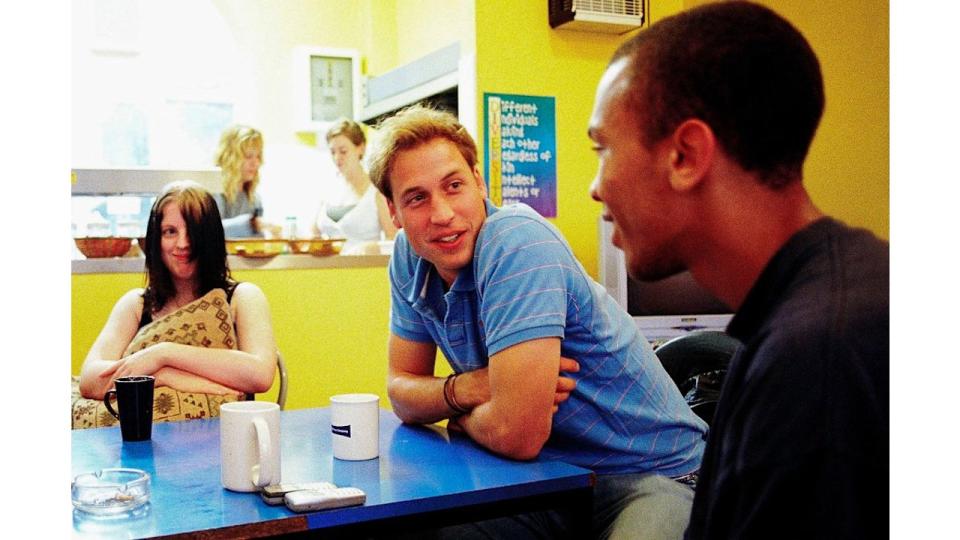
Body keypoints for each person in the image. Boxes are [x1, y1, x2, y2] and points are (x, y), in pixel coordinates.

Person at [587, 2, 888, 538]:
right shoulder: (842, 298)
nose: (596, 187)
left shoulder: (815, 361)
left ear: (686, 155)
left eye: (603, 149)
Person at [368, 105, 708, 540]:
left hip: (658, 475)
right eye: (416, 198)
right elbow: (400, 390)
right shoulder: (409, 256)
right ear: (394, 212)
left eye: (453, 186)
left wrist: (457, 418)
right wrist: (473, 388)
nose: (442, 214)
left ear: (479, 181)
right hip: (555, 477)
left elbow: (517, 433)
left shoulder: (516, 243)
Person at [79, 180, 278, 400]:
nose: (183, 243)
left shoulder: (243, 297)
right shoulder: (136, 304)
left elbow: (260, 375)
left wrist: (164, 353)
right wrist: (164, 376)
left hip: (225, 431)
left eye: (194, 231)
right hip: (149, 434)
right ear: (156, 239)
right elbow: (89, 381)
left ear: (210, 238)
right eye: (170, 231)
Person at [314, 118, 397, 253]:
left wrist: (369, 248)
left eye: (343, 151)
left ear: (361, 148)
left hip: (361, 269)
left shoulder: (377, 192)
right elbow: (313, 234)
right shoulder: (327, 191)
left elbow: (393, 240)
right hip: (326, 270)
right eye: (332, 152)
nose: (337, 158)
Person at [213, 124, 280, 238]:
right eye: (248, 156)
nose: (256, 163)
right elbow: (207, 232)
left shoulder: (254, 199)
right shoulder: (212, 194)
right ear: (229, 157)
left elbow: (255, 241)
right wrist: (250, 224)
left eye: (258, 156)